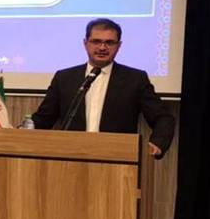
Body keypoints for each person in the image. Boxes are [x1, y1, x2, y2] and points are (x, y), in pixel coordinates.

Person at [31, 18, 175, 157]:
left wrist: (157, 143)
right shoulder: (64, 78)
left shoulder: (135, 79)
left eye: (109, 42)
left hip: (117, 159)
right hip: (70, 157)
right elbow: (44, 118)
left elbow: (162, 117)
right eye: (96, 41)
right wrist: (23, 131)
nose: (102, 47)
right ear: (85, 43)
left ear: (119, 45)